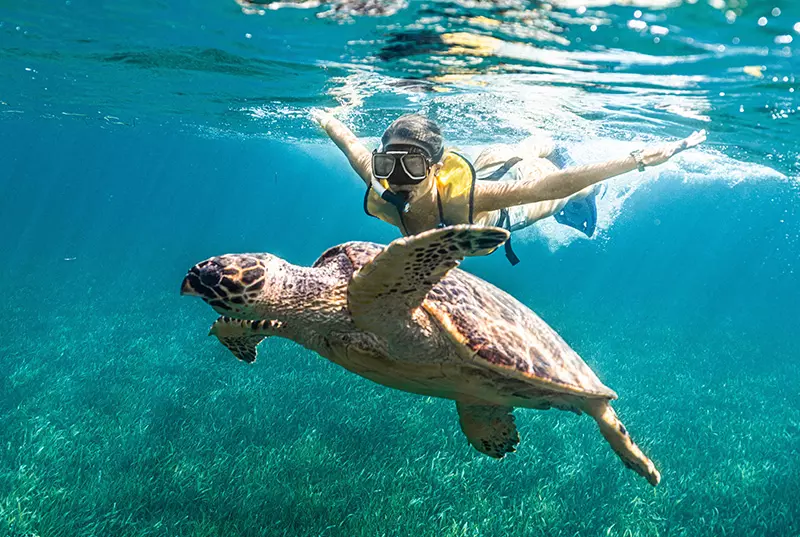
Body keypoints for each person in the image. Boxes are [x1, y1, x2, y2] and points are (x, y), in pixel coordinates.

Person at [313, 110, 706, 264]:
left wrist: (637, 159)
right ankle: (538, 142)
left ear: (433, 167)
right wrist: (329, 121)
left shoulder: (471, 197)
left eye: (412, 166)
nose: (396, 178)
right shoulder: (380, 180)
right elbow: (351, 147)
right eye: (387, 164)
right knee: (507, 154)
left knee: (563, 188)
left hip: (509, 205)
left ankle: (548, 145)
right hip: (486, 169)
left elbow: (552, 186)